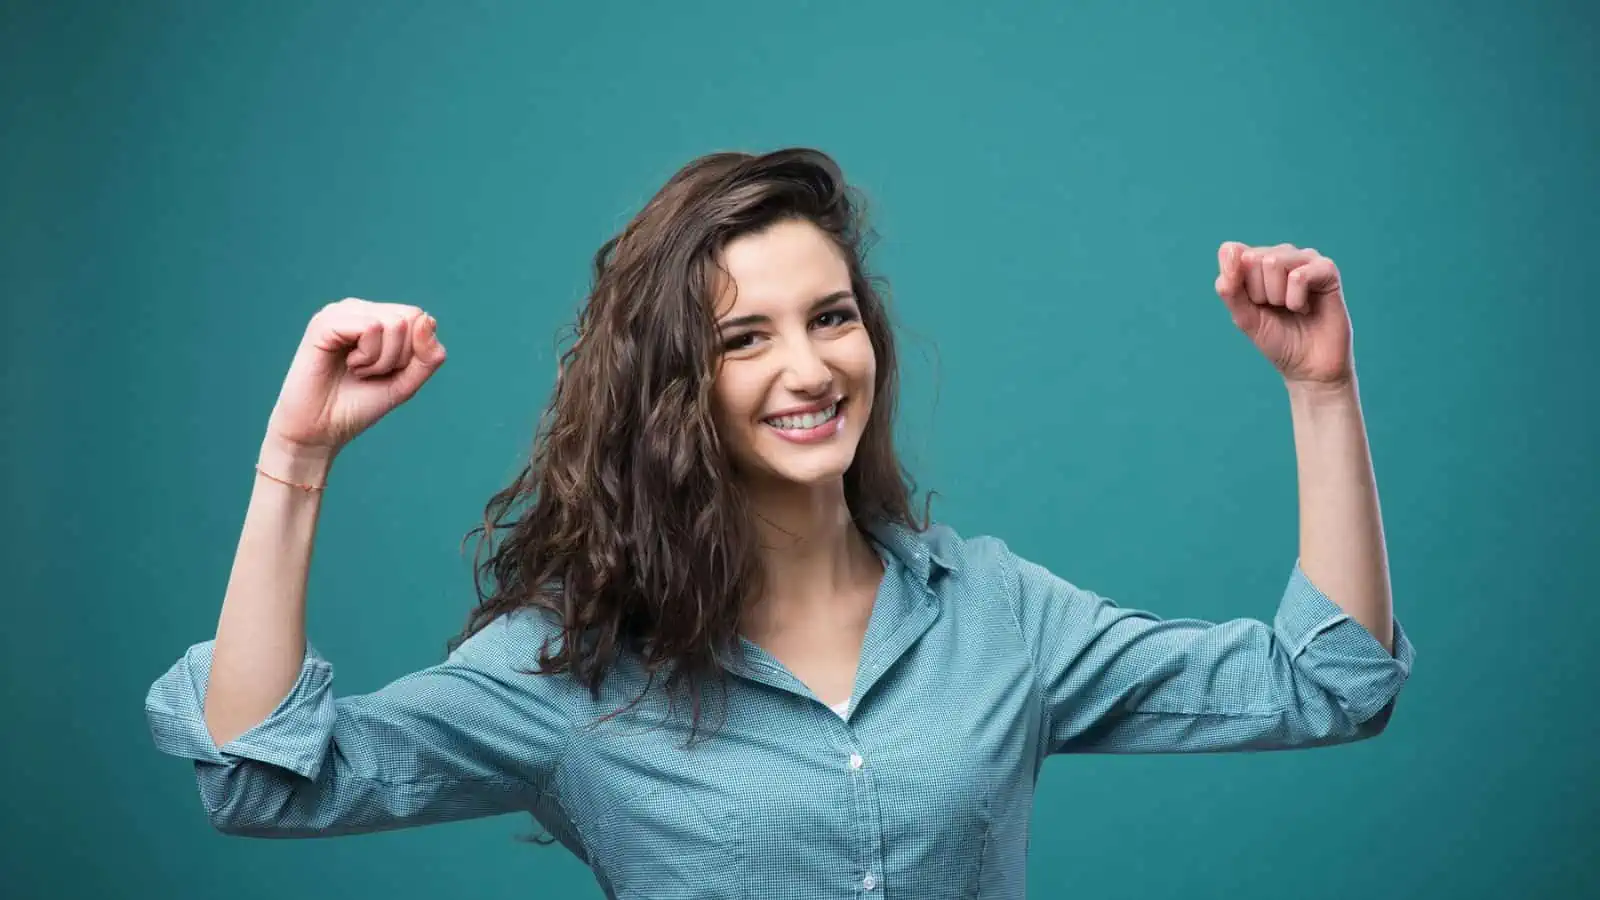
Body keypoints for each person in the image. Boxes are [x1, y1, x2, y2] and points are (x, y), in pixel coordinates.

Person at [145, 147, 1414, 899]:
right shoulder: (574, 672)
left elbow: (1328, 683)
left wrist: (1319, 390)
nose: (808, 369)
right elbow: (262, 776)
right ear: (669, 388)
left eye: (831, 316)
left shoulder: (998, 618)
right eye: (742, 338)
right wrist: (296, 461)